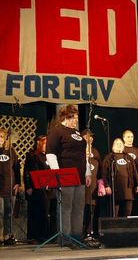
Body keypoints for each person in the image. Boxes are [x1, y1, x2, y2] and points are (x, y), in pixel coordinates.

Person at [46, 105, 91, 247]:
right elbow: (51, 154)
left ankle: (77, 237)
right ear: (65, 117)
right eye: (74, 117)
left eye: (77, 117)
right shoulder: (56, 131)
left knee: (79, 207)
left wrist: (87, 172)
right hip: (65, 174)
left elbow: (83, 156)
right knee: (66, 207)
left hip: (80, 176)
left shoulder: (77, 133)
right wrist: (57, 174)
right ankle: (65, 238)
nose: (76, 120)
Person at [0, 128, 21, 245]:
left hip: (10, 187)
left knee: (8, 213)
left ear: (5, 138)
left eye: (1, 136)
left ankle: (8, 236)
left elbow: (17, 168)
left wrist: (18, 183)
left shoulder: (11, 151)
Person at [24, 135, 57, 243]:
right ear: (39, 143)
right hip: (38, 189)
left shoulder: (51, 156)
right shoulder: (33, 155)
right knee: (39, 212)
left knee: (51, 213)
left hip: (51, 189)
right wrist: (28, 186)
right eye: (45, 143)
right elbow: (29, 172)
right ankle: (36, 236)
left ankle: (50, 235)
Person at [102, 138, 138, 217]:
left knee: (127, 210)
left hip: (128, 189)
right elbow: (104, 173)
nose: (119, 145)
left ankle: (126, 227)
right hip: (115, 189)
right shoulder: (109, 158)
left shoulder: (128, 157)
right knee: (114, 212)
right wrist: (107, 186)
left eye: (121, 144)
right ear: (113, 146)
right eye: (117, 144)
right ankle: (114, 227)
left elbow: (135, 172)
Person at [81, 129, 101, 239]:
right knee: (82, 209)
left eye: (92, 137)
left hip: (93, 186)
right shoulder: (78, 150)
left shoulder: (95, 151)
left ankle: (90, 232)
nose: (91, 138)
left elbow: (100, 166)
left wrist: (101, 183)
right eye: (88, 136)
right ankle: (81, 232)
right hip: (82, 186)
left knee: (91, 209)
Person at [122, 130, 138, 216]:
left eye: (132, 137)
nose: (130, 139)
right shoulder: (121, 149)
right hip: (125, 181)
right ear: (124, 138)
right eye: (128, 137)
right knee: (126, 204)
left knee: (136, 204)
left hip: (136, 181)